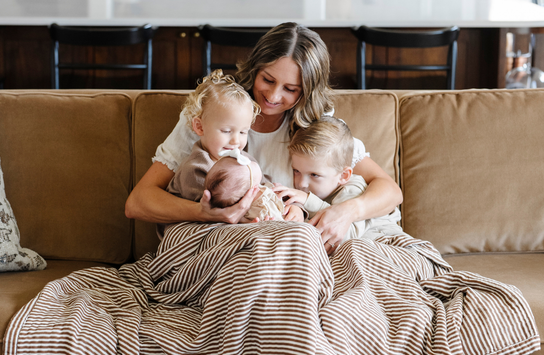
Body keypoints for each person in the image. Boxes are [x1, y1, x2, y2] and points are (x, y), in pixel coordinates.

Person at [125, 22, 403, 255]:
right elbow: (138, 202)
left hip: (286, 247)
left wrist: (346, 212)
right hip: (231, 248)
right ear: (255, 69)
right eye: (267, 80)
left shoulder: (316, 125)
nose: (273, 96)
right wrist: (204, 213)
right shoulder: (216, 116)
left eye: (290, 89)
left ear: (306, 92)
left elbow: (390, 190)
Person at [165, 70, 304, 223]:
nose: (236, 141)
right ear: (200, 127)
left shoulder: (243, 159)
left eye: (244, 132)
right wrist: (248, 221)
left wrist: (294, 206)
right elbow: (213, 212)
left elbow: (265, 185)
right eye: (226, 131)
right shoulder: (194, 169)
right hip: (198, 230)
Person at [273, 116, 403, 240]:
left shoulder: (352, 189)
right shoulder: (320, 191)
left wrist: (307, 201)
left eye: (314, 175)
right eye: (296, 171)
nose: (302, 183)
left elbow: (345, 235)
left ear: (343, 175)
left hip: (386, 242)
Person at [204, 152, 303, 222]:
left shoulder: (261, 187)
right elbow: (280, 224)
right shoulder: (261, 209)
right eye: (247, 164)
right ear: (252, 189)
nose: (248, 159)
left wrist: (293, 205)